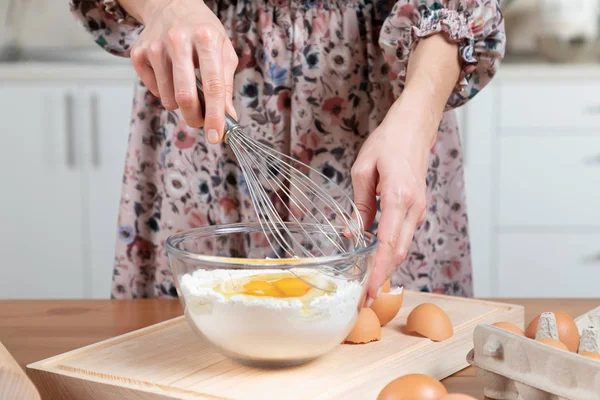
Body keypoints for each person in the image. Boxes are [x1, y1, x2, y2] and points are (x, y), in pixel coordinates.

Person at [70, 0, 505, 301]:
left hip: (391, 98)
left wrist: (419, 111)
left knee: (387, 330)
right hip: (207, 82)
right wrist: (164, 7)